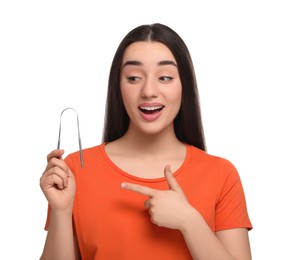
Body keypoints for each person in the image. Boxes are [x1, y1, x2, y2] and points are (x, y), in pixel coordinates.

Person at [40, 23, 252, 260]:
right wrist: (61, 211)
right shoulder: (76, 169)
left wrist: (190, 222)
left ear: (184, 86)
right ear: (118, 87)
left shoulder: (221, 174)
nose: (149, 90)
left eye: (165, 77)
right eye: (133, 78)